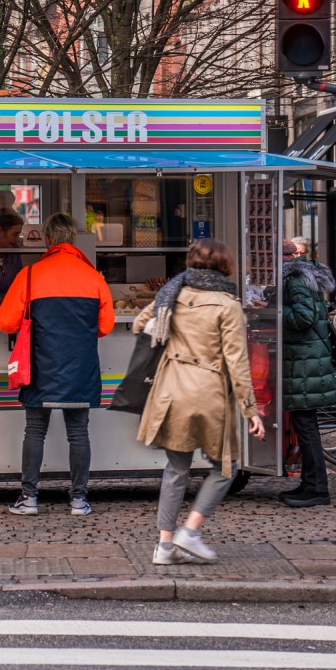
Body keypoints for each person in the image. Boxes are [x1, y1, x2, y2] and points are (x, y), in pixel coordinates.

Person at [131, 239, 266, 563]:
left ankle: (164, 547)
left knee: (176, 468)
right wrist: (251, 410)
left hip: (171, 390)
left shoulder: (172, 293)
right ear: (224, 265)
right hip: (209, 393)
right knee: (226, 467)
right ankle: (190, 531)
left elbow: (138, 325)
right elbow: (237, 361)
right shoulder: (227, 303)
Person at [0, 213, 115, 516]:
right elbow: (106, 327)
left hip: (40, 367)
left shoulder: (30, 274)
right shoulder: (94, 277)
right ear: (72, 239)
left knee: (35, 430)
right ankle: (79, 500)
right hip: (81, 367)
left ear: (48, 239)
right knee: (79, 433)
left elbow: (6, 322)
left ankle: (29, 498)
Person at [280, 239, 336, 507]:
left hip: (304, 362)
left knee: (306, 427)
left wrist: (276, 311)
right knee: (305, 425)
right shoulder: (303, 277)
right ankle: (310, 483)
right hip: (305, 360)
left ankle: (317, 488)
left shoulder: (294, 280)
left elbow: (304, 317)